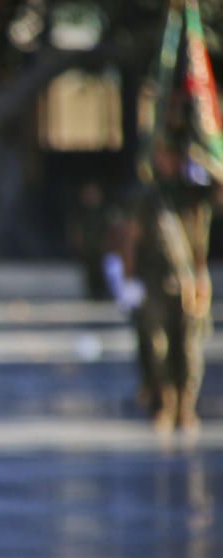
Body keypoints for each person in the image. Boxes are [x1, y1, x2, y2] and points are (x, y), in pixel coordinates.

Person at [117, 136, 213, 433]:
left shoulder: (193, 194)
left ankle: (186, 405)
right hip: (153, 281)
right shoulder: (147, 196)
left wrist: (207, 153)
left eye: (171, 154)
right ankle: (164, 402)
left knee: (188, 346)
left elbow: (200, 238)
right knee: (156, 345)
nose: (166, 160)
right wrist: (129, 278)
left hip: (187, 280)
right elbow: (130, 237)